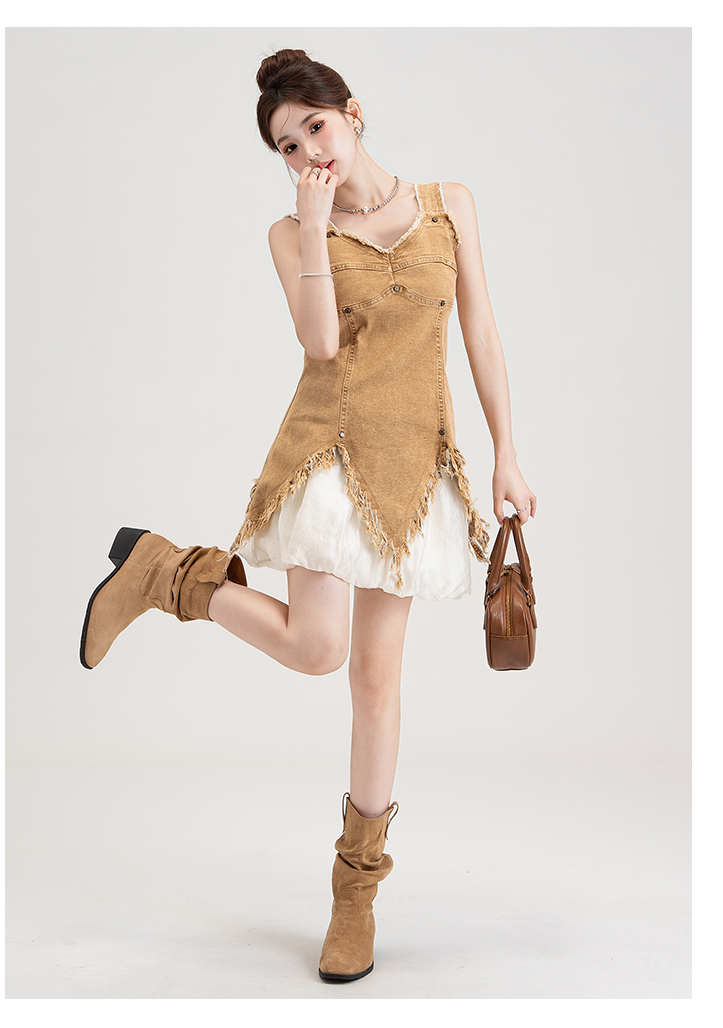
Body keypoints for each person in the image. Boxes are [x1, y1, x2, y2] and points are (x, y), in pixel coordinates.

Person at [79, 48, 537, 983]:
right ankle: (166, 575)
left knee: (376, 680)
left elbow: (481, 330)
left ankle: (355, 896)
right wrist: (318, 224)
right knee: (318, 649)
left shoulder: (450, 204)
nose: (306, 156)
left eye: (314, 130)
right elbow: (321, 342)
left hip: (414, 465)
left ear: (352, 113)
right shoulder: (293, 233)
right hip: (328, 453)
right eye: (287, 148)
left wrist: (507, 453)